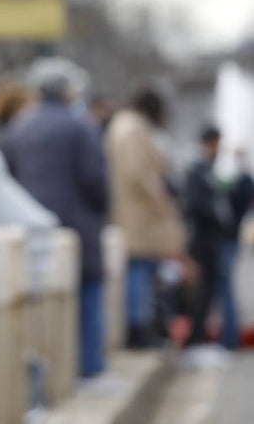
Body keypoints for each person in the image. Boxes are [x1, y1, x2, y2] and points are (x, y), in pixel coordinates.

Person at [2, 57, 109, 379]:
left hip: (32, 230)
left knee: (40, 308)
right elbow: (96, 180)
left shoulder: (20, 126)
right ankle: (88, 369)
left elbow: (9, 174)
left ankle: (48, 377)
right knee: (87, 300)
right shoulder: (81, 126)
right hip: (78, 228)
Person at [105, 86, 186, 349]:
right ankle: (137, 327)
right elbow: (138, 172)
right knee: (139, 272)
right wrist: (161, 197)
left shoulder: (126, 126)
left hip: (140, 216)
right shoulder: (131, 129)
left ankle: (144, 324)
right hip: (140, 216)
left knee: (144, 271)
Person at [183, 126, 254, 350]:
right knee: (214, 289)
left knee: (219, 288)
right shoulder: (200, 171)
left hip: (220, 239)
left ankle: (226, 339)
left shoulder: (230, 177)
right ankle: (221, 338)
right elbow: (199, 206)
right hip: (209, 240)